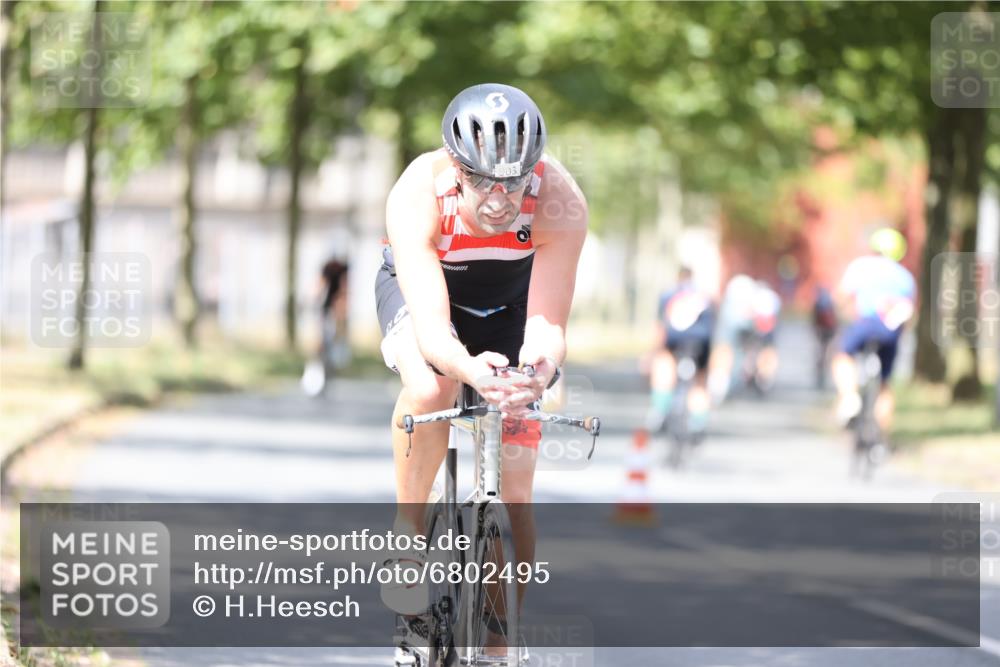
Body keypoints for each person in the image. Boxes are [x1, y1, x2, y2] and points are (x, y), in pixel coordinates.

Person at [374, 83, 587, 653]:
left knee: (515, 491)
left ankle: (497, 643)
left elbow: (547, 325)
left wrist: (538, 370)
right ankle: (409, 533)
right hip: (427, 299)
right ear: (455, 169)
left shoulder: (560, 198)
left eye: (514, 182)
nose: (499, 199)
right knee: (430, 385)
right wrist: (468, 367)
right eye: (482, 181)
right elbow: (433, 332)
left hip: (511, 307)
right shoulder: (417, 191)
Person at [831, 228, 916, 435]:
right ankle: (880, 436)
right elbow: (910, 310)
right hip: (891, 331)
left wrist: (842, 314)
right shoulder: (906, 277)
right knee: (885, 383)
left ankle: (850, 399)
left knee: (842, 356)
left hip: (865, 324)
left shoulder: (861, 266)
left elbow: (841, 297)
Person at [643, 267, 715, 438]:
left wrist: (651, 355)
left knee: (664, 363)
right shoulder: (705, 297)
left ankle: (659, 409)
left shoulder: (668, 295)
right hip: (701, 343)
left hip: (674, 341)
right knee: (700, 381)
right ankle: (698, 420)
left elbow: (660, 329)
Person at [301, 258, 349, 397]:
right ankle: (318, 378)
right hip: (326, 312)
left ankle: (322, 379)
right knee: (322, 347)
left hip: (329, 313)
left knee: (325, 348)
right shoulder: (334, 268)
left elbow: (341, 293)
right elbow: (321, 287)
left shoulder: (338, 268)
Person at [812, 285, 838, 388]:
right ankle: (825, 367)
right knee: (828, 351)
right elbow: (835, 318)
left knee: (821, 351)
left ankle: (820, 368)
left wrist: (814, 329)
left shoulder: (818, 303)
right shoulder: (830, 303)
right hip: (830, 330)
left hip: (821, 330)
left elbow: (814, 318)